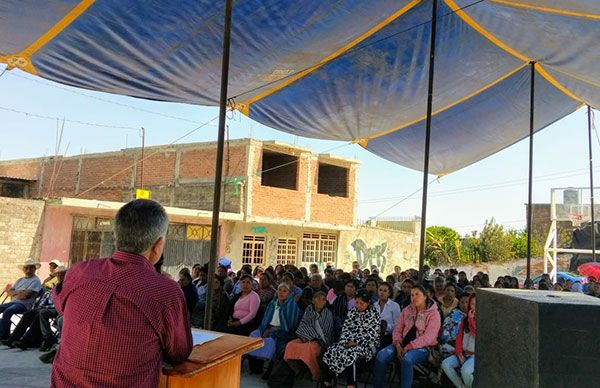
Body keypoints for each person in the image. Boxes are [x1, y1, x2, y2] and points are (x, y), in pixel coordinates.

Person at [51, 199, 192, 387]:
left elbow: (60, 305)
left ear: (115, 237)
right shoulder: (165, 292)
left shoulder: (80, 272)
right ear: (158, 245)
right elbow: (178, 353)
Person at [372, 285, 442, 388]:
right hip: (402, 344)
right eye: (412, 295)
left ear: (425, 297)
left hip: (424, 348)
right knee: (381, 356)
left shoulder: (433, 313)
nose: (414, 297)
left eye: (417, 294)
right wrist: (398, 344)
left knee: (407, 359)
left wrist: (410, 346)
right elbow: (397, 329)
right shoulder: (407, 310)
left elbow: (428, 337)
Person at [321, 289, 380, 388]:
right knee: (331, 350)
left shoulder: (374, 314)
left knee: (350, 354)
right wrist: (346, 341)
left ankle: (351, 384)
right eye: (357, 303)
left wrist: (356, 342)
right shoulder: (352, 312)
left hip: (367, 345)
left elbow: (372, 334)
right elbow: (346, 329)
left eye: (362, 303)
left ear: (368, 303)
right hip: (348, 342)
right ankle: (327, 381)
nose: (359, 305)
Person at [2, 266, 67, 350]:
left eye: (63, 275)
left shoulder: (67, 287)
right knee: (29, 314)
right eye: (58, 275)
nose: (60, 277)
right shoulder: (55, 287)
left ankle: (26, 341)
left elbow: (60, 304)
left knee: (40, 313)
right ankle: (13, 339)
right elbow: (45, 299)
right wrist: (41, 306)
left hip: (58, 310)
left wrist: (16, 293)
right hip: (45, 308)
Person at [248, 283, 301, 378]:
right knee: (253, 335)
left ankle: (271, 368)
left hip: (282, 331)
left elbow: (290, 326)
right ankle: (256, 366)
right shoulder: (273, 303)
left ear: (289, 294)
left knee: (272, 342)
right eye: (280, 290)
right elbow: (265, 319)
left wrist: (273, 330)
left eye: (285, 291)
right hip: (268, 327)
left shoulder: (292, 306)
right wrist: (265, 329)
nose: (281, 293)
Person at [283, 291, 334, 380]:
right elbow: (304, 324)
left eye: (324, 300)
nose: (321, 301)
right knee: (290, 345)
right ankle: (297, 369)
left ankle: (315, 373)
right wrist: (305, 336)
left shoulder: (328, 313)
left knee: (308, 349)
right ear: (313, 300)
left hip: (320, 341)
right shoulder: (309, 309)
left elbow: (326, 332)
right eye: (319, 299)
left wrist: (313, 338)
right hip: (305, 337)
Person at [0, 258, 42, 341]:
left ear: (34, 269)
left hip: (24, 305)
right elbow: (9, 292)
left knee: (8, 311)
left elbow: (26, 296)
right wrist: (20, 292)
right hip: (13, 302)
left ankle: (3, 335)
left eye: (31, 268)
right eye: (26, 268)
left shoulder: (36, 280)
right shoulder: (20, 280)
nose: (28, 270)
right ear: (23, 269)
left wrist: (15, 293)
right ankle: (5, 330)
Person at [441, 294, 477, 388]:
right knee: (446, 364)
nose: (474, 306)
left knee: (465, 371)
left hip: (475, 356)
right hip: (464, 352)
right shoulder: (464, 319)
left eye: (476, 304)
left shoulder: (483, 319)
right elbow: (459, 338)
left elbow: (474, 333)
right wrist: (458, 352)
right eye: (472, 304)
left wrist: (471, 320)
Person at [439, 293, 470, 359]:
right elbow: (445, 332)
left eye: (467, 302)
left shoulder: (474, 316)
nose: (465, 305)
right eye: (462, 302)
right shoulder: (453, 314)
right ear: (459, 303)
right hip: (450, 345)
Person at [374, 282, 401, 347]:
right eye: (380, 290)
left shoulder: (394, 306)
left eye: (385, 291)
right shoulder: (374, 305)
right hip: (374, 336)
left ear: (389, 293)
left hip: (389, 337)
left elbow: (398, 325)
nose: (382, 293)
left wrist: (385, 326)